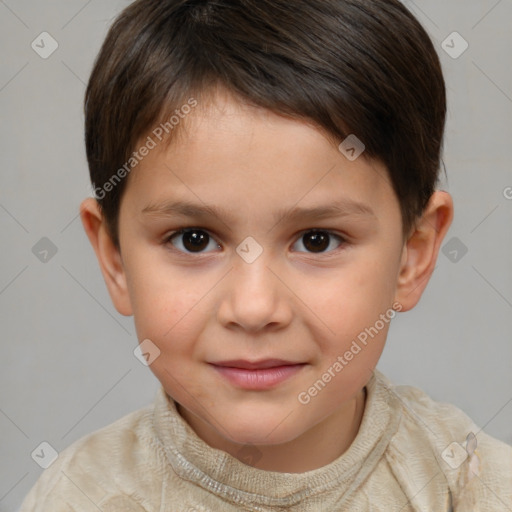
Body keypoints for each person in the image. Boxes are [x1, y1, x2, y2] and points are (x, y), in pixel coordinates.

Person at [20, 0, 512, 510]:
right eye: (194, 239)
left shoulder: (475, 488)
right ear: (115, 259)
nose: (254, 308)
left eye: (317, 240)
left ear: (413, 255)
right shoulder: (78, 497)